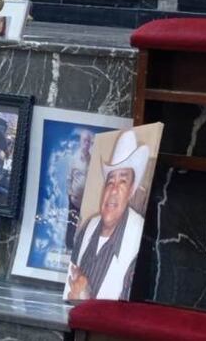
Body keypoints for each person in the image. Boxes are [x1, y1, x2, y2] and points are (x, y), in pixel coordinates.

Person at [66, 129, 149, 301]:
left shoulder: (140, 237)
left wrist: (86, 300)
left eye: (123, 181)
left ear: (131, 191)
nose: (113, 189)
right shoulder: (88, 225)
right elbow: (70, 281)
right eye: (110, 181)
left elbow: (129, 314)